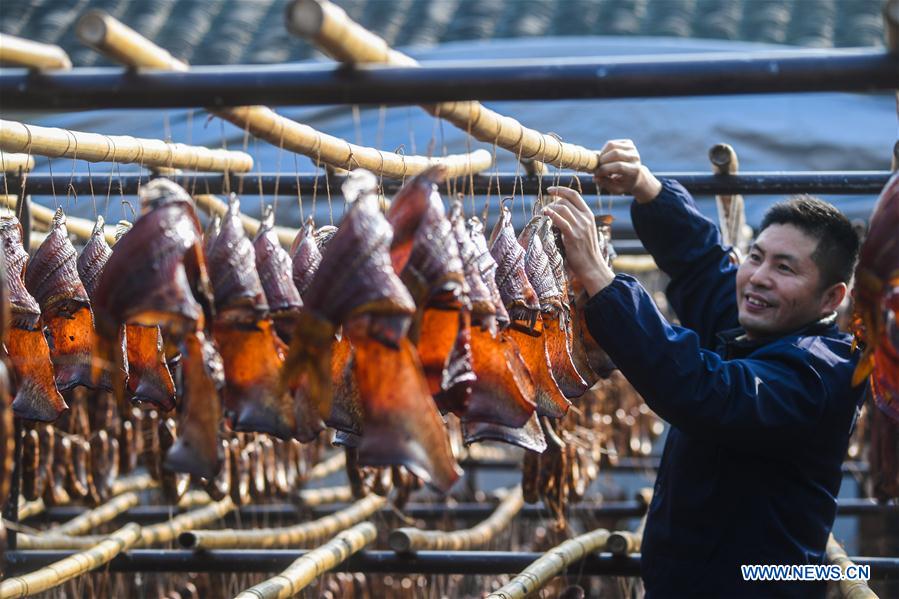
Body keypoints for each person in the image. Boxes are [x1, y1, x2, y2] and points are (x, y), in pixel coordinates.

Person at [543, 139, 865, 598]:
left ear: (831, 298)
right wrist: (647, 187)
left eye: (786, 269)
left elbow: (706, 393)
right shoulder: (758, 325)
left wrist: (599, 276)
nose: (758, 277)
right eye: (756, 256)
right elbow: (702, 266)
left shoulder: (819, 370)